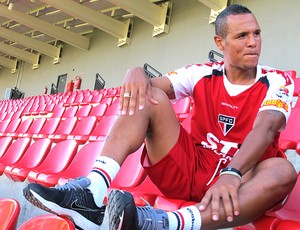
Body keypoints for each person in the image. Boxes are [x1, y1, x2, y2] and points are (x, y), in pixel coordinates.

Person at [23, 4, 297, 230]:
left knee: (283, 170)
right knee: (147, 95)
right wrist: (136, 71)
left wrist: (232, 174)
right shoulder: (202, 72)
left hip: (241, 181)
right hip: (192, 170)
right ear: (220, 42)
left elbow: (265, 128)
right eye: (242, 36)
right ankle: (93, 190)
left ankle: (165, 223)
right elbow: (153, 87)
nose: (253, 43)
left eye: (257, 33)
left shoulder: (277, 80)